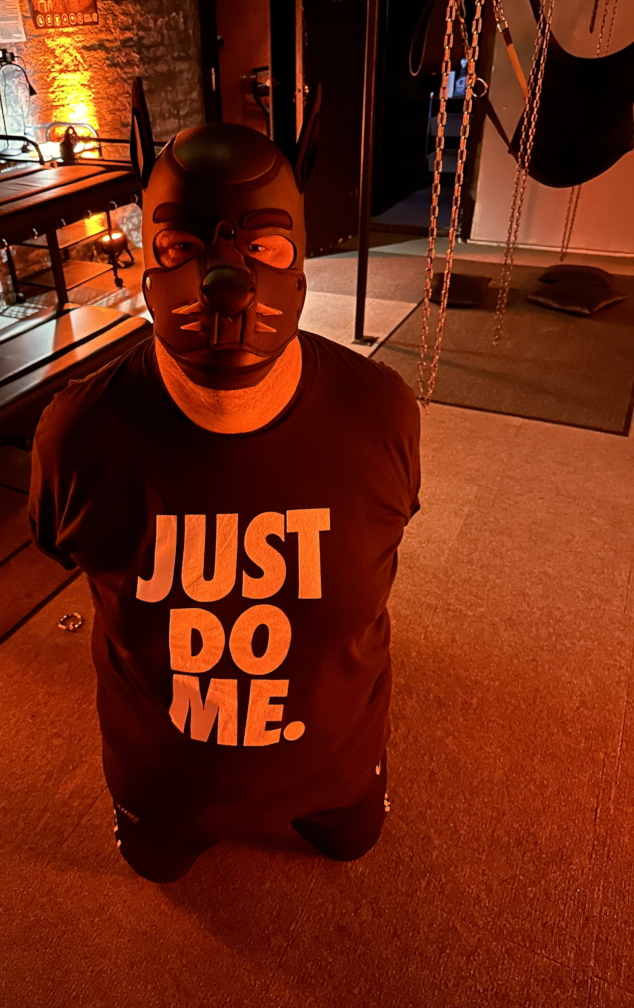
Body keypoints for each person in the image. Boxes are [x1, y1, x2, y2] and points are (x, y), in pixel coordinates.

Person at [28, 122, 421, 883]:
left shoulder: (380, 414)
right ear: (144, 255)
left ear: (299, 258)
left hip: (336, 763)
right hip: (163, 777)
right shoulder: (76, 433)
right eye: (181, 246)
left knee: (353, 840)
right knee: (156, 865)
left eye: (263, 245)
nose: (225, 283)